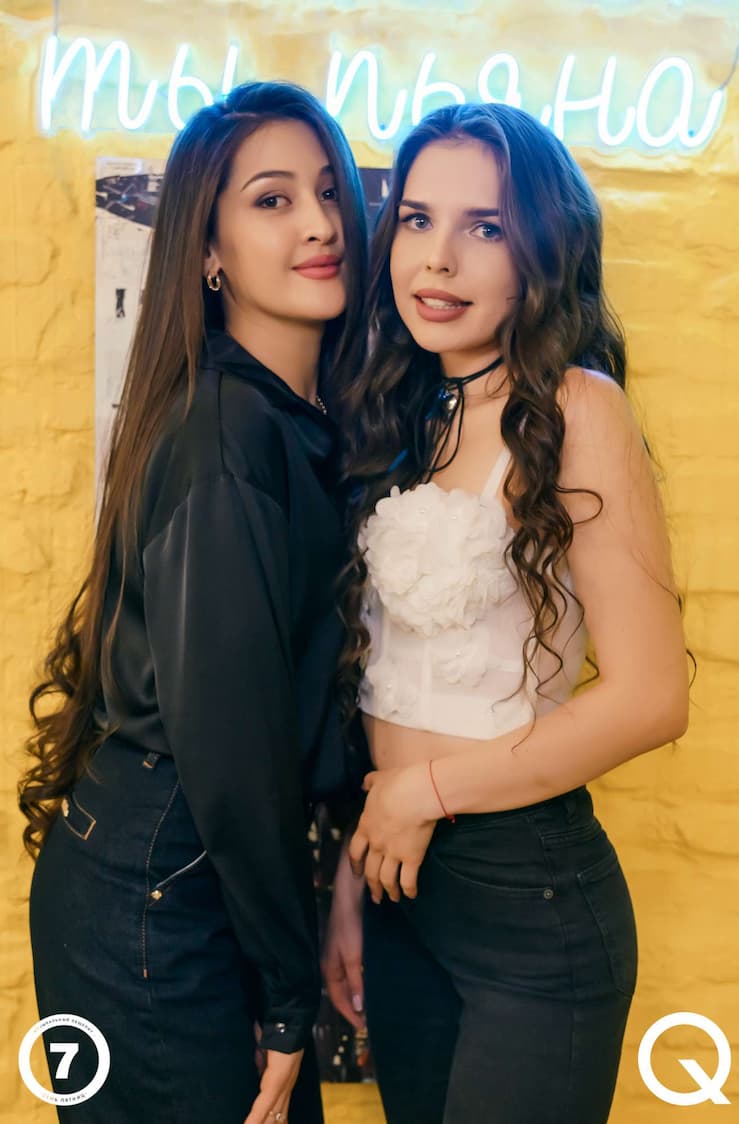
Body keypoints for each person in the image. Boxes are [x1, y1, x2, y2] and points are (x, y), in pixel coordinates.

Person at [323, 103, 690, 1124]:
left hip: (528, 899)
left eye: (484, 227)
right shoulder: (409, 410)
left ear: (541, 252)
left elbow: (653, 697)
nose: (436, 258)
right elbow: (391, 679)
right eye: (416, 219)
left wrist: (422, 792)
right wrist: (358, 863)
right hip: (400, 885)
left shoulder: (579, 406)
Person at [19, 80, 368, 1124]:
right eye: (272, 200)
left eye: (328, 192)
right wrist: (287, 999)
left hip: (182, 872)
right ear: (209, 251)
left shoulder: (287, 421)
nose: (319, 224)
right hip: (160, 896)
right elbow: (234, 742)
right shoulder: (231, 436)